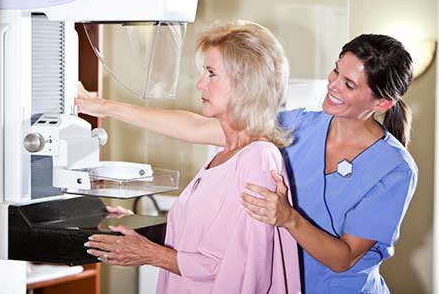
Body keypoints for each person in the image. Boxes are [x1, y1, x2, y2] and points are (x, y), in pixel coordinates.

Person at [77, 33, 418, 293]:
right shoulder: (301, 125)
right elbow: (199, 127)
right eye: (335, 71)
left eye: (348, 84)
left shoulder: (393, 169)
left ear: (383, 102)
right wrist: (106, 107)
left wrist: (288, 218)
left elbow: (343, 259)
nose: (332, 85)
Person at [83, 20, 301, 293]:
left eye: (211, 74)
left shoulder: (257, 158)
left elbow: (245, 269)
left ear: (246, 83)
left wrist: (151, 254)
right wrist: (138, 228)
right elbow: (208, 241)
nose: (200, 84)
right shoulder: (227, 155)